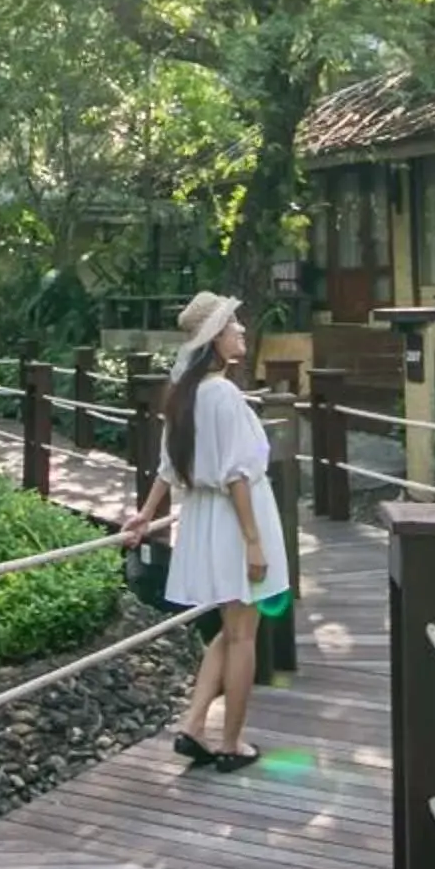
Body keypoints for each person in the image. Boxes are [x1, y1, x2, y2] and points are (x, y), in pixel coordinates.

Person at [120, 291, 287, 770]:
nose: (241, 331)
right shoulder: (223, 394)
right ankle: (232, 742)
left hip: (207, 518)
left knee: (231, 630)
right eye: (234, 326)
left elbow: (170, 465)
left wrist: (146, 514)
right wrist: (254, 541)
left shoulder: (185, 394)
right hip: (238, 518)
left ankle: (194, 726)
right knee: (243, 635)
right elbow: (236, 473)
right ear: (215, 340)